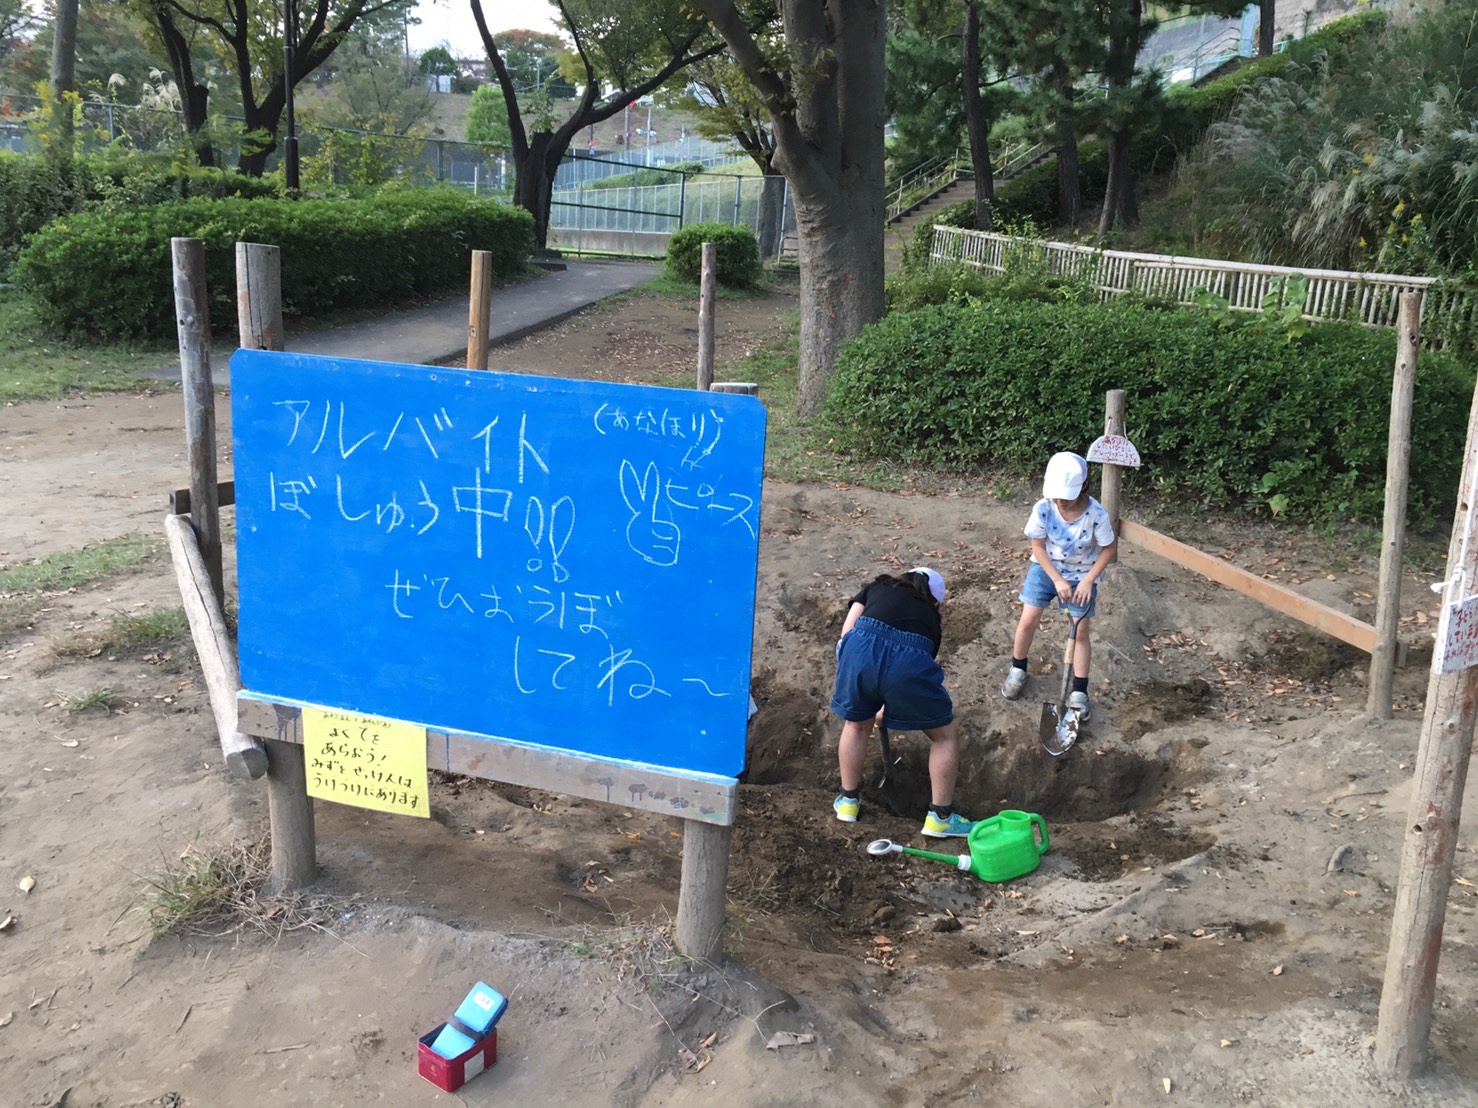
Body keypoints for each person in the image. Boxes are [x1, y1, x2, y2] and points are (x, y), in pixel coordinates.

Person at [830, 567, 974, 838]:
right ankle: (941, 818)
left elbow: (847, 633)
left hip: (859, 650)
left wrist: (867, 694)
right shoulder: (931, 619)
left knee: (857, 725)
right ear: (934, 600)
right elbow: (913, 669)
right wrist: (888, 701)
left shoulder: (877, 585)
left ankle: (847, 802)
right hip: (909, 660)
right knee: (944, 736)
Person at [1001, 451, 1117, 719]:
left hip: (1081, 576)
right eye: (1057, 496)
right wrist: (1056, 578)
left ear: (1083, 487)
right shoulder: (1043, 507)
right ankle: (1018, 668)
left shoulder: (1096, 514)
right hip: (1046, 569)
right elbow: (1037, 546)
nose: (1060, 502)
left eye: (1066, 497)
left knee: (1081, 631)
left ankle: (1079, 691)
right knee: (1028, 619)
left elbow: (1108, 548)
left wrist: (1088, 581)